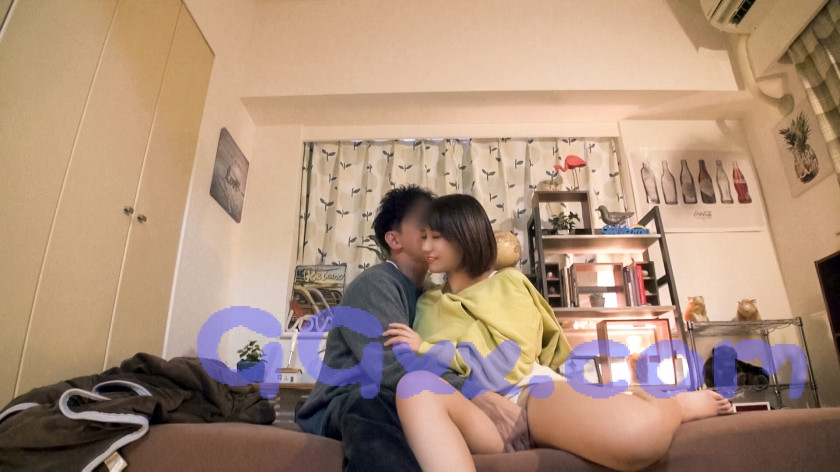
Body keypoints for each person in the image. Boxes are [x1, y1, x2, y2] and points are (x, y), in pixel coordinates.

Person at [383, 194, 734, 472]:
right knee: (414, 388)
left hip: (529, 394)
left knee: (639, 439)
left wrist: (428, 348)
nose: (426, 248)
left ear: (465, 236)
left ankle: (674, 405)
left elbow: (512, 359)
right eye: (424, 238)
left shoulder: (508, 283)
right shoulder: (427, 303)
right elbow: (435, 373)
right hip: (479, 411)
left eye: (436, 238)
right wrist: (433, 360)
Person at [295, 186, 469, 472]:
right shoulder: (375, 284)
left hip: (407, 398)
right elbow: (390, 368)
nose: (435, 232)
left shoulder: (431, 294)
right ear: (394, 239)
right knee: (374, 399)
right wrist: (472, 392)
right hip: (345, 400)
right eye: (423, 225)